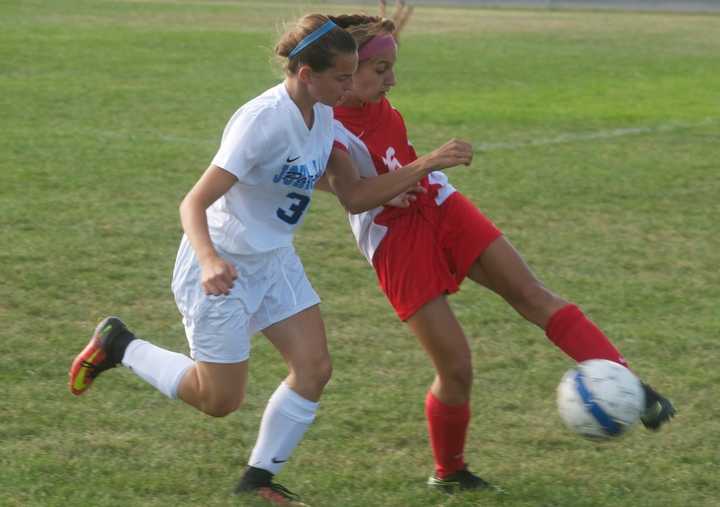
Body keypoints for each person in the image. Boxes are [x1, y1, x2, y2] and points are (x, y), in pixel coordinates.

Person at [68, 13, 474, 507]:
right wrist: (210, 260)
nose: (350, 87)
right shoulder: (261, 120)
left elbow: (353, 193)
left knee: (314, 367)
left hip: (274, 258)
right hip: (222, 265)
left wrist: (419, 170)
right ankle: (120, 344)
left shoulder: (323, 114)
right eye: (342, 77)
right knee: (220, 400)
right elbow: (192, 202)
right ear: (307, 75)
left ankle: (258, 480)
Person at [325, 13, 676, 493]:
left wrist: (416, 174)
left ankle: (632, 384)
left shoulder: (371, 98)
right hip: (393, 239)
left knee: (532, 294)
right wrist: (422, 163)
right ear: (344, 69)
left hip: (438, 203)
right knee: (456, 367)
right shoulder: (323, 124)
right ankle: (449, 474)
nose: (393, 79)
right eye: (381, 68)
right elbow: (348, 193)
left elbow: (378, 160)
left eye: (392, 66)